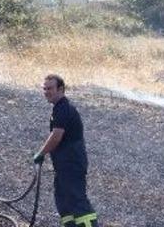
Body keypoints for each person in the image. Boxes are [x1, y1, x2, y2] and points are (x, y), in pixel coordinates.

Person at [34, 74, 99, 227]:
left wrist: (41, 153)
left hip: (72, 165)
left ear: (61, 89)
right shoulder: (58, 109)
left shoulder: (63, 109)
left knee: (77, 202)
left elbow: (56, 136)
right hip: (63, 166)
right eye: (44, 89)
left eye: (50, 88)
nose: (46, 92)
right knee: (64, 202)